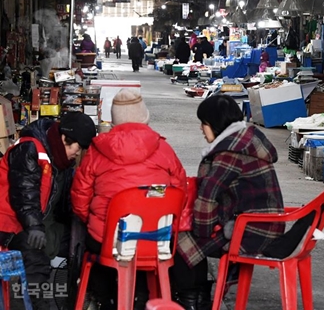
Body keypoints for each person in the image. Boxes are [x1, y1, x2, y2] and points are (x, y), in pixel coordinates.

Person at [72, 89, 187, 310]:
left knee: (93, 245)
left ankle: (105, 301)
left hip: (108, 240)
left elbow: (80, 197)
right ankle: (141, 299)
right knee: (141, 249)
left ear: (114, 119)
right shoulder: (164, 148)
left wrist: (92, 221)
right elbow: (179, 192)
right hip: (156, 241)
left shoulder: (97, 151)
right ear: (144, 116)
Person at [171, 95, 284, 309]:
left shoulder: (229, 153)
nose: (201, 129)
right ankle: (198, 296)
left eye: (203, 123)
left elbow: (207, 196)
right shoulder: (245, 141)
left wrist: (201, 231)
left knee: (180, 240)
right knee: (193, 237)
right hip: (264, 223)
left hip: (251, 230)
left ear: (215, 124)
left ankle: (190, 300)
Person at [0, 113, 97, 310]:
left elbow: (60, 202)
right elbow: (24, 191)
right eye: (77, 148)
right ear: (64, 139)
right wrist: (35, 227)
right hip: (10, 223)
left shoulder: (60, 161)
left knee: (79, 242)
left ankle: (75, 298)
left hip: (36, 220)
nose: (78, 154)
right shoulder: (30, 148)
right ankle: (40, 306)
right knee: (36, 257)